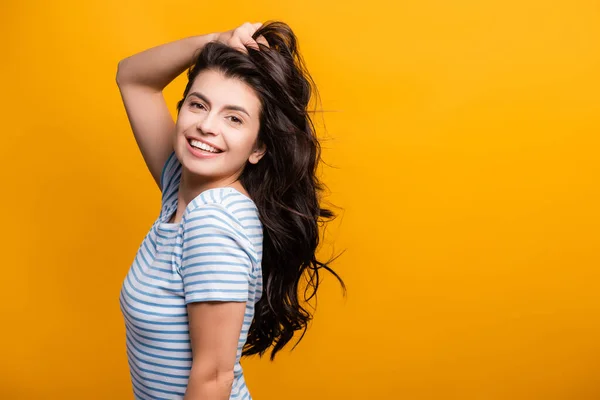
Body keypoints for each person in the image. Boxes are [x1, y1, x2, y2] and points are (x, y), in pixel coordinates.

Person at [115, 21, 345, 400]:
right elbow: (133, 78)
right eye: (198, 104)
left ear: (258, 149)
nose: (206, 125)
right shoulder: (181, 187)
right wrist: (214, 42)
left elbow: (213, 378)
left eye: (234, 118)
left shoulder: (213, 219)